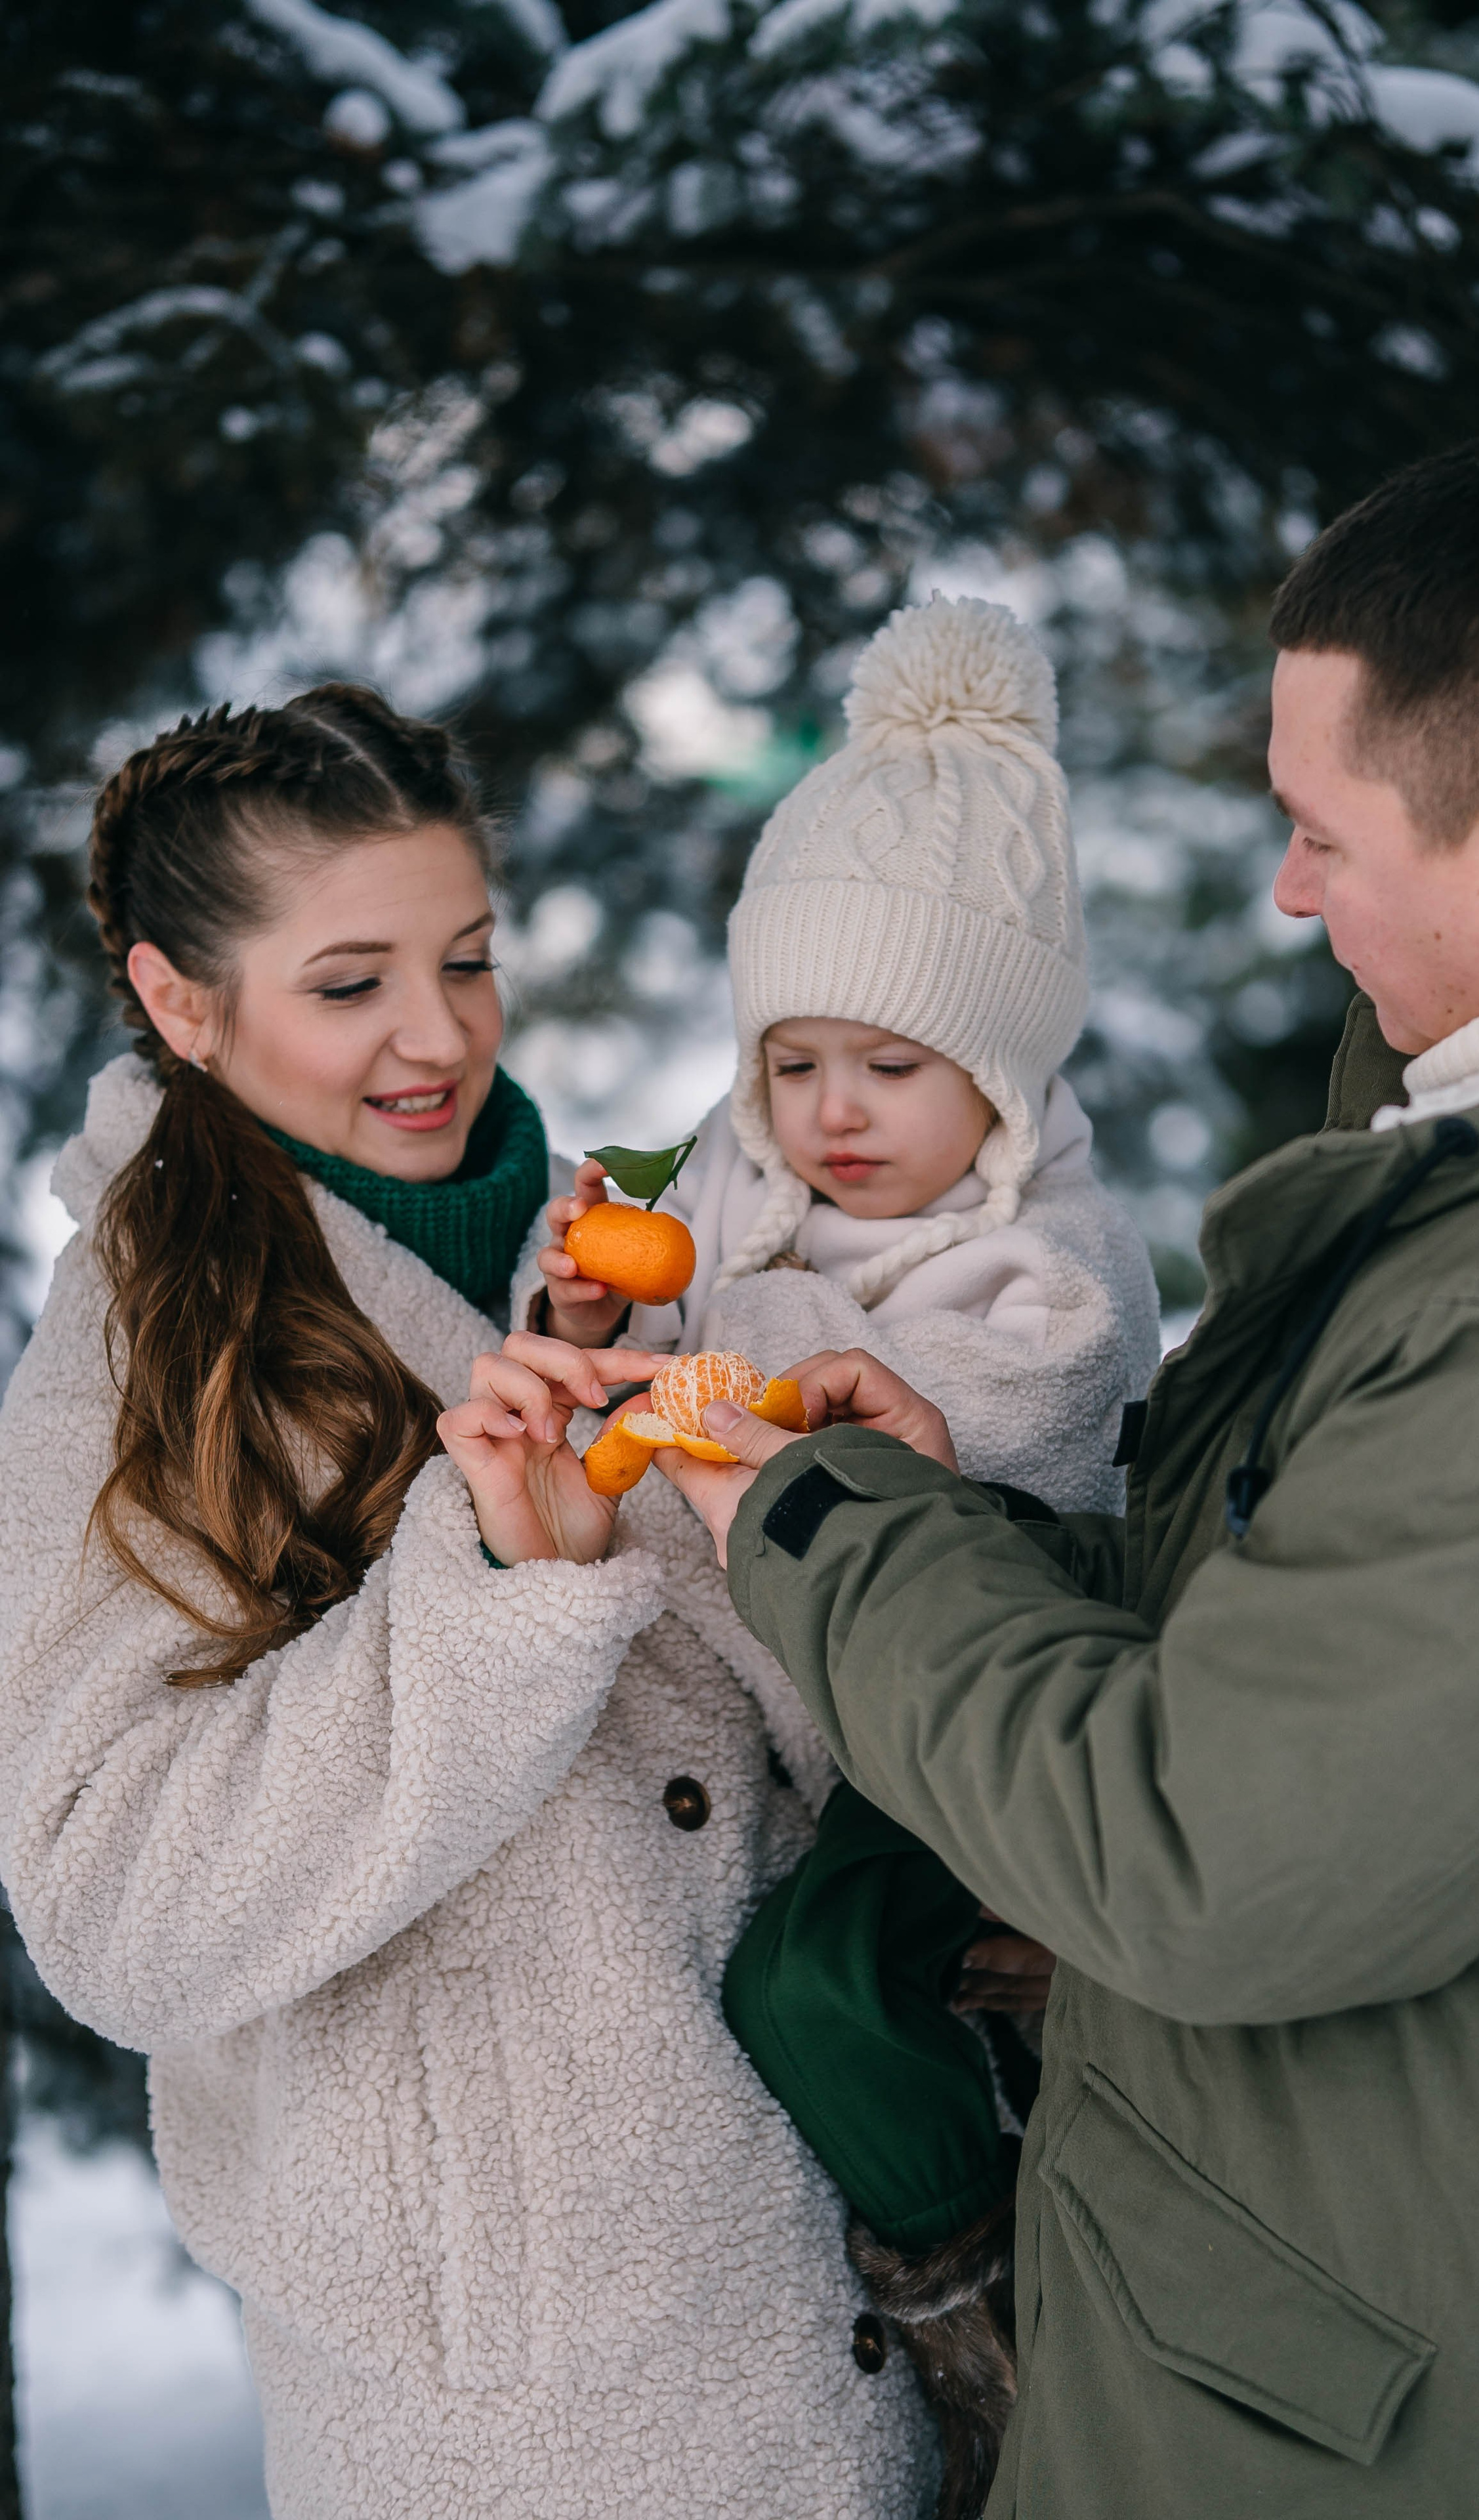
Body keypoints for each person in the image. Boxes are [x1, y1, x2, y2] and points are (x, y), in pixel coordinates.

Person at [644, 431, 1479, 2517]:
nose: (1288, 892)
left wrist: (818, 1531)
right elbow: (1331, 1637)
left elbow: (1204, 1855)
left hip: (1376, 2437)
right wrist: (968, 1518)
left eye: (1323, 832)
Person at [0, 685, 938, 2519]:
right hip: (534, 2408)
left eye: (471, 959)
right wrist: (497, 1590)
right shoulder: (136, 1367)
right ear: (183, 1001)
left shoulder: (596, 1254)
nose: (436, 1037)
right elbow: (110, 1898)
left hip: (832, 2294)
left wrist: (847, 1500)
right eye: (350, 985)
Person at [536, 593, 1159, 2519]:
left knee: (816, 1985)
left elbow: (1003, 1413)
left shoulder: (1045, 1258)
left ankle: (989, 2306)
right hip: (813, 1717)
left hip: (972, 1721)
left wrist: (774, 1369)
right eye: (791, 1062)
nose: (831, 1114)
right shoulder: (740, 1185)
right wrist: (591, 1295)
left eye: (890, 1066)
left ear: (1000, 1071)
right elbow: (645, 1346)